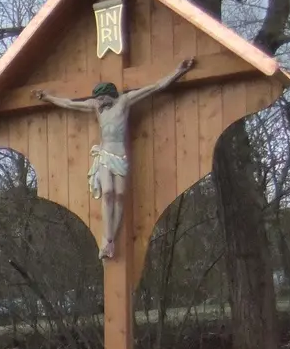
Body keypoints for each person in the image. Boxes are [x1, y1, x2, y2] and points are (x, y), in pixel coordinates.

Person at [32, 56, 194, 259]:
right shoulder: (96, 108)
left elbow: (155, 87)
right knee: (107, 192)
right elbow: (69, 104)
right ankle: (107, 238)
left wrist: (178, 71)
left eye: (101, 99)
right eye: (97, 100)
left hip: (120, 155)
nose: (99, 103)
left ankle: (110, 241)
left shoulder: (124, 102)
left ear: (110, 95)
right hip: (105, 154)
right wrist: (47, 98)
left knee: (118, 196)